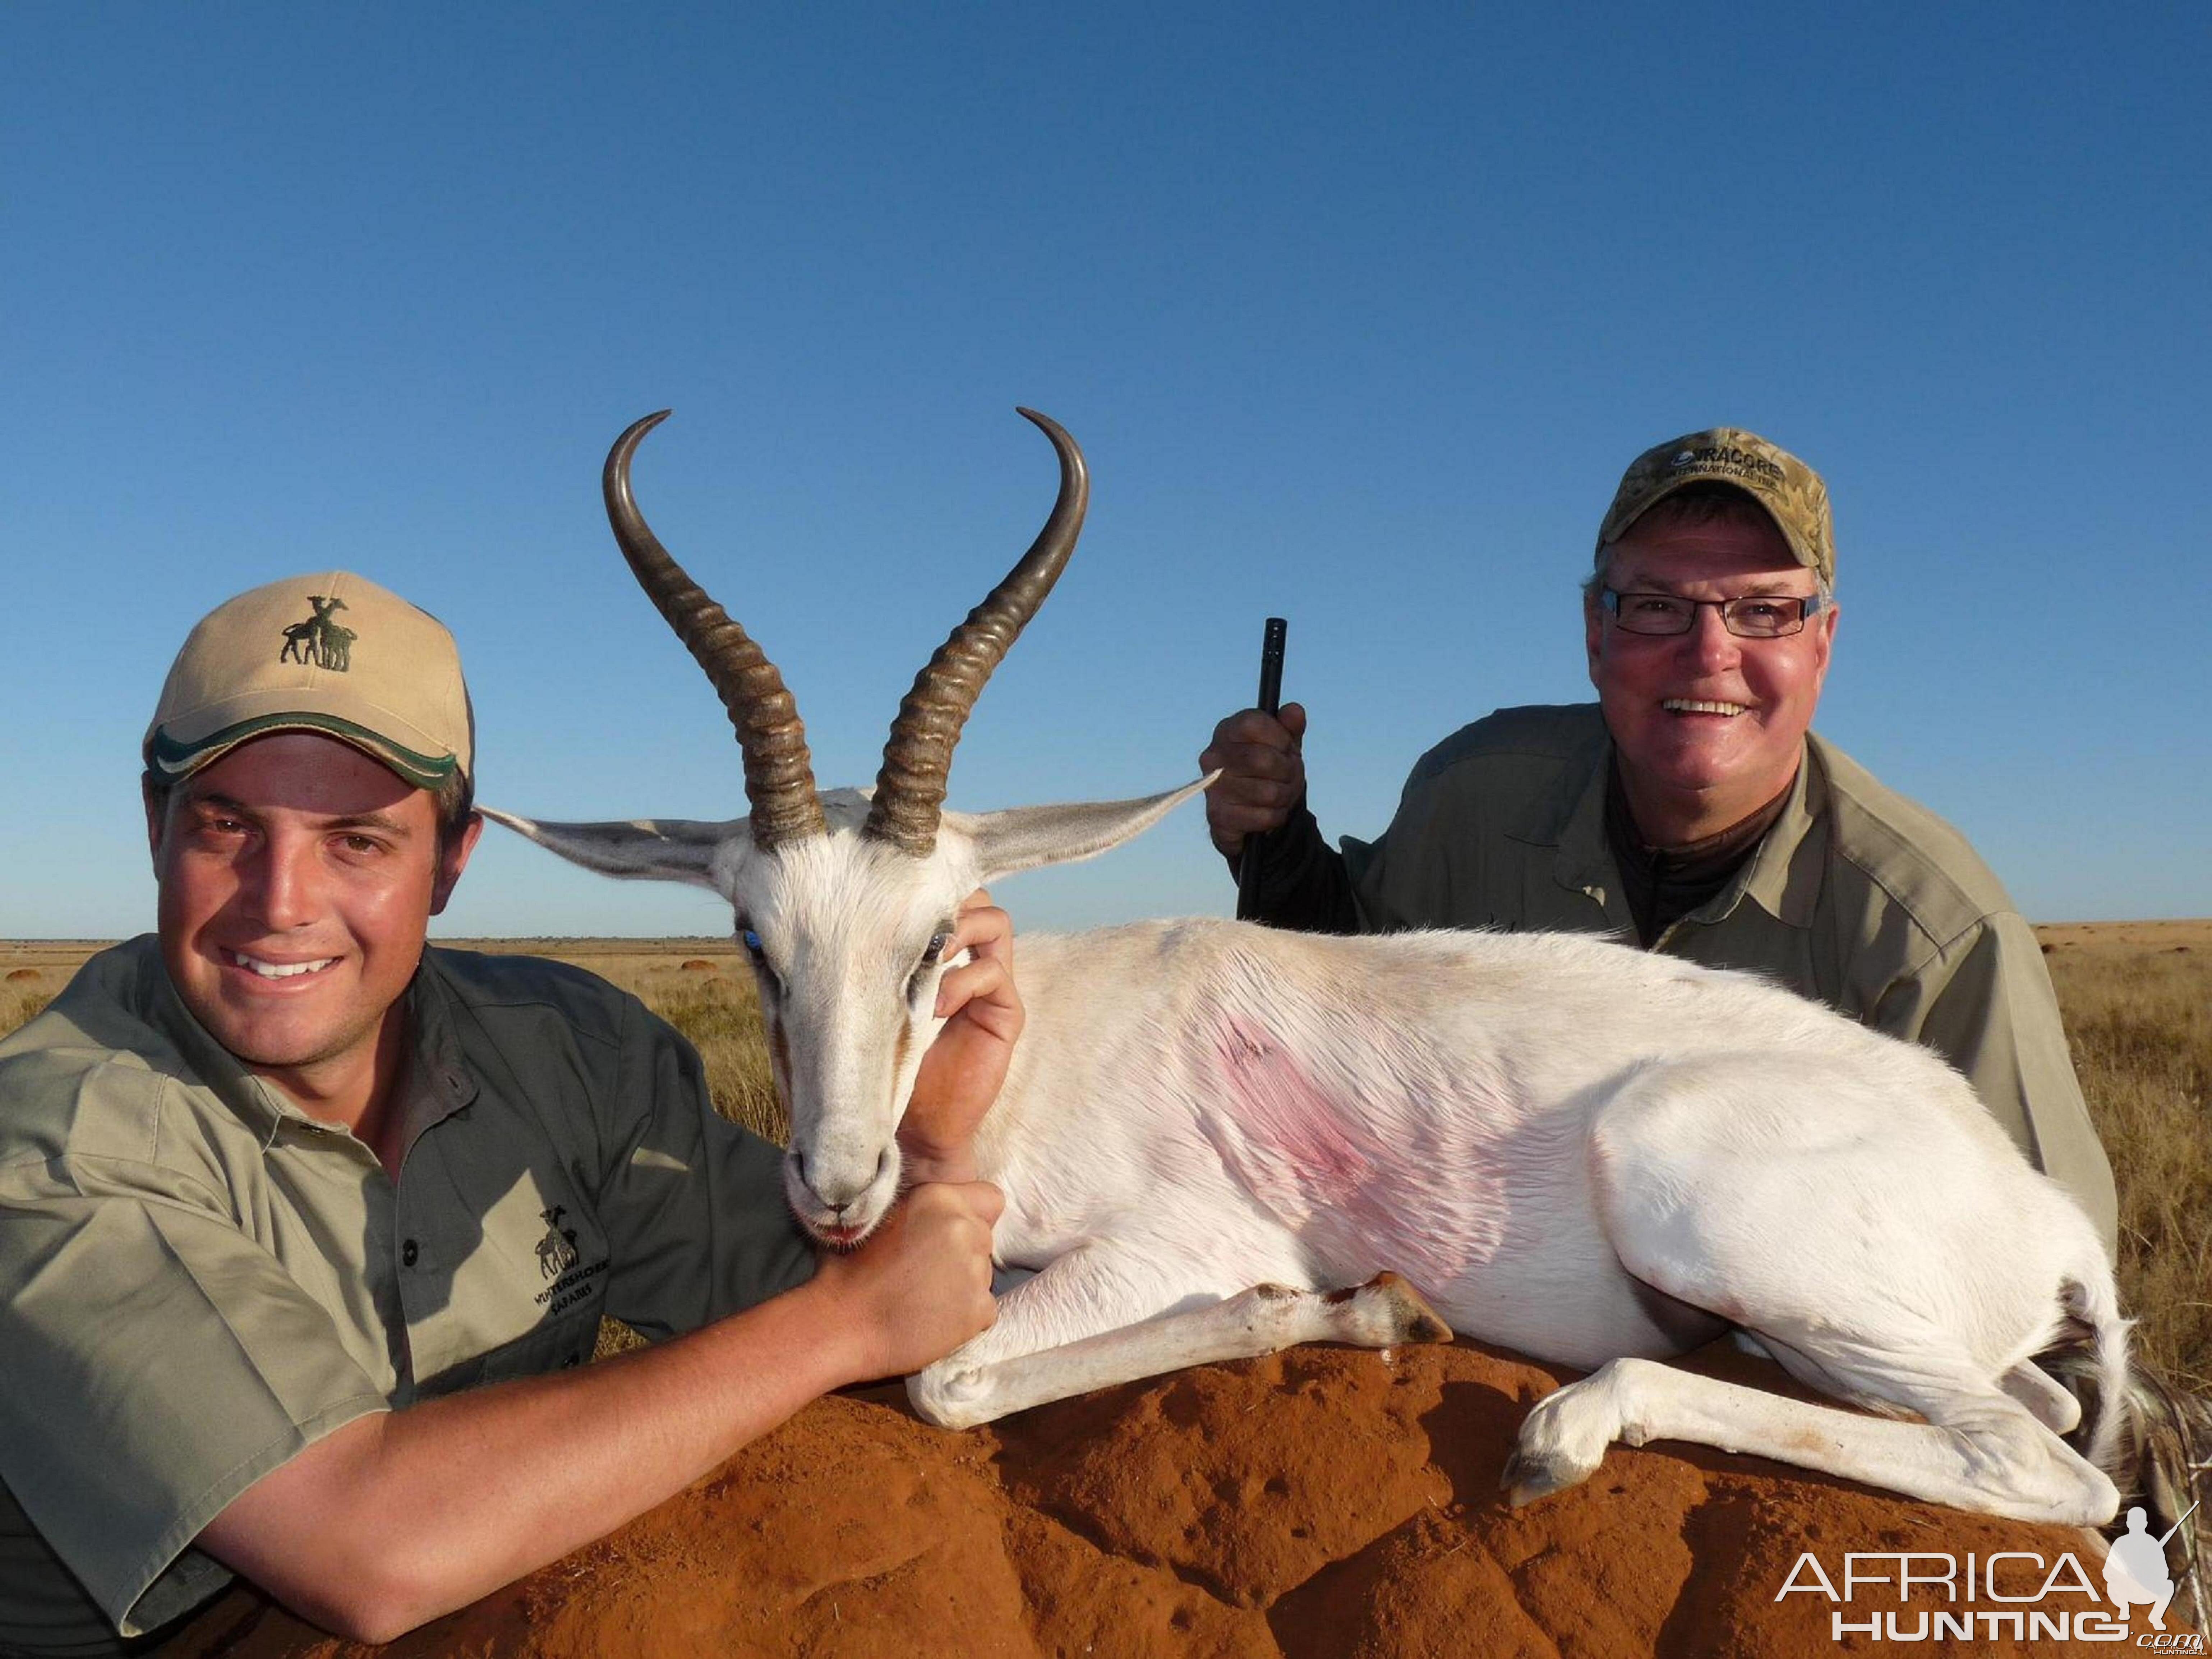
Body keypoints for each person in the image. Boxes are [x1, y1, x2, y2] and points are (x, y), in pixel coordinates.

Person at [0, 572, 1014, 1654]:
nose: (281, 899)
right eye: (227, 825)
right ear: (156, 828)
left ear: (450, 862)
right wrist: (843, 1325)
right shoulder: (52, 1148)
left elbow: (877, 1298)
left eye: (358, 841)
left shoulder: (572, 1047)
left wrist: (923, 1141)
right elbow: (365, 1549)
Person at [1201, 427, 2117, 1253]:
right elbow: (1345, 988)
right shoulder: (1472, 792)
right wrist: (1278, 842)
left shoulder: (1940, 942)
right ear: (1596, 632)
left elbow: (2052, 1278)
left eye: (1764, 609)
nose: (1709, 651)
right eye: (1655, 605)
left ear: (1823, 643)